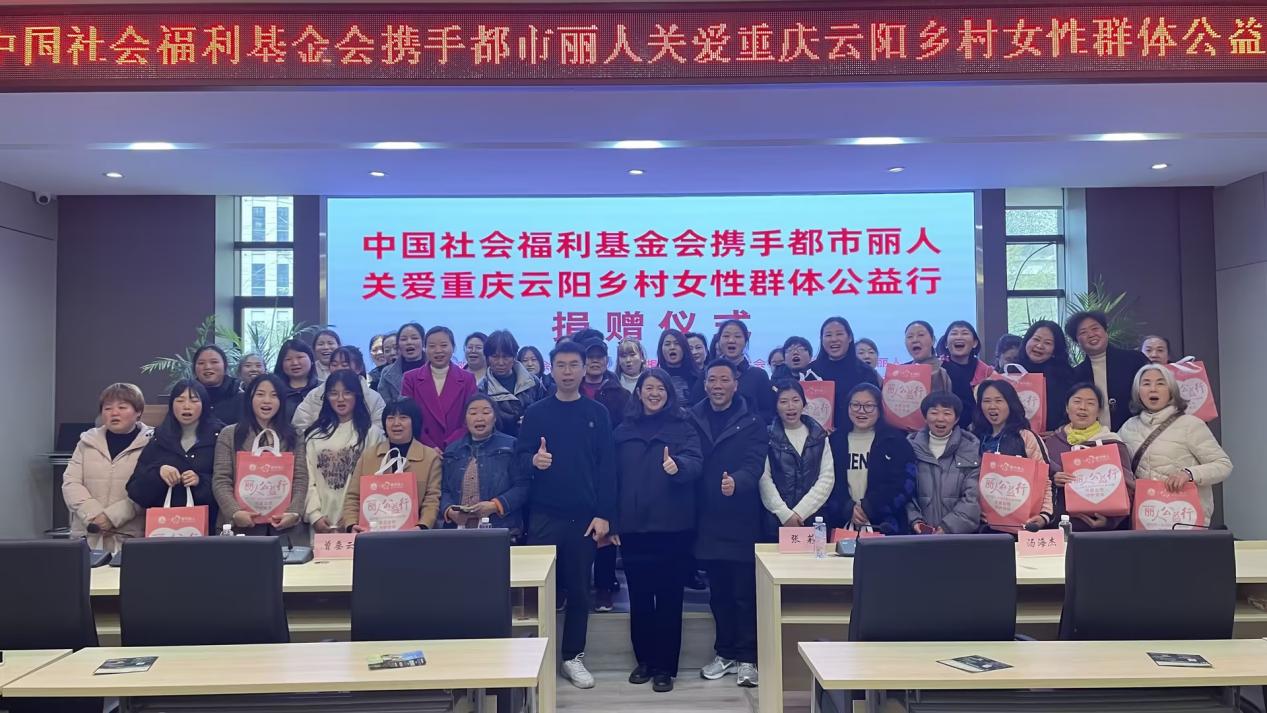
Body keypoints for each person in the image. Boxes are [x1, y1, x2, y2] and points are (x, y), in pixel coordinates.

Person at [516, 340, 617, 690]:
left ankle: (572, 657)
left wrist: (604, 515)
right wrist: (534, 460)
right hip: (544, 514)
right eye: (561, 365)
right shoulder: (537, 413)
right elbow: (519, 457)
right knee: (537, 590)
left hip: (584, 518)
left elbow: (608, 467)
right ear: (552, 368)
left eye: (575, 365)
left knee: (579, 590)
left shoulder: (597, 413)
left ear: (585, 368)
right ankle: (533, 655)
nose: (568, 371)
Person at [612, 369, 703, 693]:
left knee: (669, 599)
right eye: (648, 387)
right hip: (634, 529)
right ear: (638, 392)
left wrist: (678, 466)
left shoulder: (683, 426)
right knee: (639, 599)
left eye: (660, 388)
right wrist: (614, 521)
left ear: (669, 394)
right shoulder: (623, 430)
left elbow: (696, 462)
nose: (654, 393)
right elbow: (612, 479)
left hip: (673, 528)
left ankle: (665, 667)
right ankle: (645, 661)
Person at [690, 359, 766, 689]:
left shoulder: (752, 421)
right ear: (705, 384)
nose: (717, 385)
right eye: (712, 380)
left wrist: (738, 481)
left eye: (724, 379)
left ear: (736, 383)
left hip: (741, 518)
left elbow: (755, 463)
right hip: (706, 518)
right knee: (718, 593)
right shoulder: (692, 417)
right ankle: (725, 653)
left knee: (744, 594)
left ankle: (748, 658)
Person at [1119, 365, 1232, 524]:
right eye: (1146, 383)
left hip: (1185, 517)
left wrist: (1189, 474)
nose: (1153, 389)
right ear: (1138, 392)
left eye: (1160, 383)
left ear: (1171, 390)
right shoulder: (1128, 427)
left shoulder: (1191, 424)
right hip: (1145, 517)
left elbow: (1223, 465)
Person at [212, 373, 309, 539]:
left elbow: (300, 478)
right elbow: (221, 479)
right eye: (260, 394)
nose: (267, 401)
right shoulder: (229, 434)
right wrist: (235, 512)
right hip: (240, 529)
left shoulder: (295, 435)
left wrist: (293, 513)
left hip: (286, 530)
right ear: (249, 399)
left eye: (274, 395)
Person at [63, 383, 154, 552]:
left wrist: (112, 517)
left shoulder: (153, 443)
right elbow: (71, 482)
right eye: (107, 408)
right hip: (88, 535)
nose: (114, 413)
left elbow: (149, 489)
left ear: (138, 412)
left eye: (122, 407)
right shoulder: (87, 442)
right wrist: (94, 515)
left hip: (129, 538)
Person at [576, 337, 629, 613]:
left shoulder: (620, 393)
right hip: (576, 466)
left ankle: (605, 587)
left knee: (606, 524)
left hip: (609, 464)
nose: (595, 361)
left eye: (600, 357)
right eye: (590, 357)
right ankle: (575, 585)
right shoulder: (571, 388)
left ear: (607, 360)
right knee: (578, 529)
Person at [128, 380, 224, 528]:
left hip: (209, 527)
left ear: (204, 404)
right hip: (164, 527)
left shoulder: (220, 437)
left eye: (194, 401)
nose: (186, 406)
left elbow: (229, 485)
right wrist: (158, 473)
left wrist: (200, 481)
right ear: (171, 405)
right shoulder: (158, 438)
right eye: (180, 400)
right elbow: (135, 491)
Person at [1044, 383, 1136, 532]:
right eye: (1077, 401)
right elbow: (1039, 486)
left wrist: (1109, 522)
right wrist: (1053, 480)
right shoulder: (1052, 442)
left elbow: (1129, 489)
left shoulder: (1112, 443)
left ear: (1099, 411)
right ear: (1067, 407)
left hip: (1098, 534)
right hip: (1057, 529)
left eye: (1090, 403)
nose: (1083, 407)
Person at [303, 370, 385, 535]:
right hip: (321, 524)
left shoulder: (372, 434)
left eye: (347, 393)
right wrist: (314, 515)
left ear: (357, 395)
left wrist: (354, 516)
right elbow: (307, 478)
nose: (340, 399)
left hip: (360, 524)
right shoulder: (314, 435)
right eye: (334, 393)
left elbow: (377, 480)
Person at [828, 384, 917, 534]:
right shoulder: (834, 441)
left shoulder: (895, 441)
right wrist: (847, 508)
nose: (861, 411)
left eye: (869, 406)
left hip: (885, 525)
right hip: (842, 523)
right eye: (855, 405)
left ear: (879, 409)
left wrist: (869, 507)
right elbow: (826, 481)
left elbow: (905, 483)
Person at [344, 398, 442, 532]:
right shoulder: (369, 456)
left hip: (415, 536)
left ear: (414, 422)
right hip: (373, 535)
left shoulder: (430, 458)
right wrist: (351, 525)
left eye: (403, 418)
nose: (396, 423)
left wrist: (422, 526)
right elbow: (353, 496)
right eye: (390, 418)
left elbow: (432, 499)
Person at [973, 380, 1053, 534]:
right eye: (986, 401)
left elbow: (1046, 480)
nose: (992, 406)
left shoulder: (1026, 437)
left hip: (1020, 526)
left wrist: (1044, 516)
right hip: (982, 526)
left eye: (999, 400)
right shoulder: (974, 438)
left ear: (1011, 403)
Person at [440, 394, 528, 534]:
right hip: (458, 531)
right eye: (473, 413)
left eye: (486, 412)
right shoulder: (452, 450)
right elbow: (443, 489)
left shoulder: (511, 445)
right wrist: (449, 511)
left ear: (495, 417)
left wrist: (495, 505)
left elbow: (523, 487)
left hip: (500, 529)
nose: (479, 418)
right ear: (465, 419)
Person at [758, 380, 835, 537]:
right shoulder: (766, 436)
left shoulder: (819, 435)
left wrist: (800, 513)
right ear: (776, 406)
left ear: (803, 403)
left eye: (795, 400)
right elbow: (764, 479)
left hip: (814, 518)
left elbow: (827, 477)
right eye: (783, 401)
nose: (790, 406)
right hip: (777, 520)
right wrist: (785, 515)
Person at [907, 393, 981, 534]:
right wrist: (916, 521)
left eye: (947, 413)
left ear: (956, 419)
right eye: (934, 413)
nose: (940, 418)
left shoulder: (970, 449)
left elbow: (972, 496)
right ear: (925, 417)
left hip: (958, 537)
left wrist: (947, 527)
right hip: (917, 535)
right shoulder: (909, 449)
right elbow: (904, 493)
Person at [1066, 311, 1150, 430]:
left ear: (1105, 331)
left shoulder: (1135, 360)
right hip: (1094, 437)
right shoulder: (1075, 374)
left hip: (1135, 433)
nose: (1091, 334)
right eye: (1083, 332)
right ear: (1077, 341)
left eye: (1095, 328)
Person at [402, 326, 478, 451]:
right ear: (425, 349)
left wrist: (450, 445)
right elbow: (407, 416)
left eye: (444, 345)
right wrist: (430, 447)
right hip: (422, 450)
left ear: (453, 348)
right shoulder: (410, 379)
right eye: (432, 346)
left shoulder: (467, 379)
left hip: (458, 450)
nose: (438, 350)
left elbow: (471, 416)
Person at [805, 317, 881, 431]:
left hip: (857, 434)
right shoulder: (810, 372)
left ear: (849, 338)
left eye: (839, 334)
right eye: (828, 335)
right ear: (821, 339)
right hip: (817, 436)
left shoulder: (866, 372)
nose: (834, 339)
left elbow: (875, 407)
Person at [293, 346, 386, 432]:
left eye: (344, 365)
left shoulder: (373, 398)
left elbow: (380, 428)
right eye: (334, 365)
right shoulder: (315, 395)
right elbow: (300, 425)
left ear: (358, 368)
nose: (338, 369)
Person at [479, 329, 547, 437]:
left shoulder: (533, 382)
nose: (501, 362)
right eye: (495, 357)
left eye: (506, 357)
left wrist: (533, 419)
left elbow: (546, 411)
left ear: (514, 356)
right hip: (499, 445)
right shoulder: (482, 389)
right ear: (487, 358)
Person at [1016, 320, 1077, 432]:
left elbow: (1074, 411)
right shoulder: (1011, 371)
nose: (1040, 346)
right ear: (1027, 340)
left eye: (1048, 343)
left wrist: (1059, 432)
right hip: (1015, 437)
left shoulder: (1066, 376)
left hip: (1054, 437)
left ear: (1055, 350)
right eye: (1036, 339)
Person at [714, 320, 776, 424]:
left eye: (737, 336)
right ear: (719, 340)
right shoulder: (708, 373)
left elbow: (767, 412)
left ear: (746, 341)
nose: (731, 340)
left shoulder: (759, 375)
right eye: (726, 336)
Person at [935, 321, 993, 429]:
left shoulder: (987, 372)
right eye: (954, 333)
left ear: (975, 343)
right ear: (946, 343)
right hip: (941, 426)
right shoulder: (936, 369)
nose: (959, 337)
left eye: (965, 333)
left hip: (977, 429)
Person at [192, 344, 242, 426]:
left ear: (225, 366)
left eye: (214, 362)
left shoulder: (240, 395)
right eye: (201, 363)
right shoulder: (187, 395)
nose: (207, 367)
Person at [376, 322, 425, 404]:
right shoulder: (387, 373)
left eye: (414, 338)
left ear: (423, 342)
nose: (409, 342)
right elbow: (384, 404)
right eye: (403, 339)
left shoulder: (437, 368)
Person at [274, 339, 319, 422]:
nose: (295, 363)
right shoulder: (274, 390)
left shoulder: (322, 388)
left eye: (300, 357)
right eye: (288, 359)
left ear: (311, 360)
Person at [903, 320, 950, 393]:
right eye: (910, 337)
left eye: (921, 335)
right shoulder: (902, 371)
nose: (915, 340)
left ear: (933, 340)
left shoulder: (948, 368)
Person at [657, 329, 702, 404]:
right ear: (661, 349)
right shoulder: (656, 377)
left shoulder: (698, 377)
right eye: (667, 344)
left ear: (684, 348)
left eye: (677, 343)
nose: (672, 347)